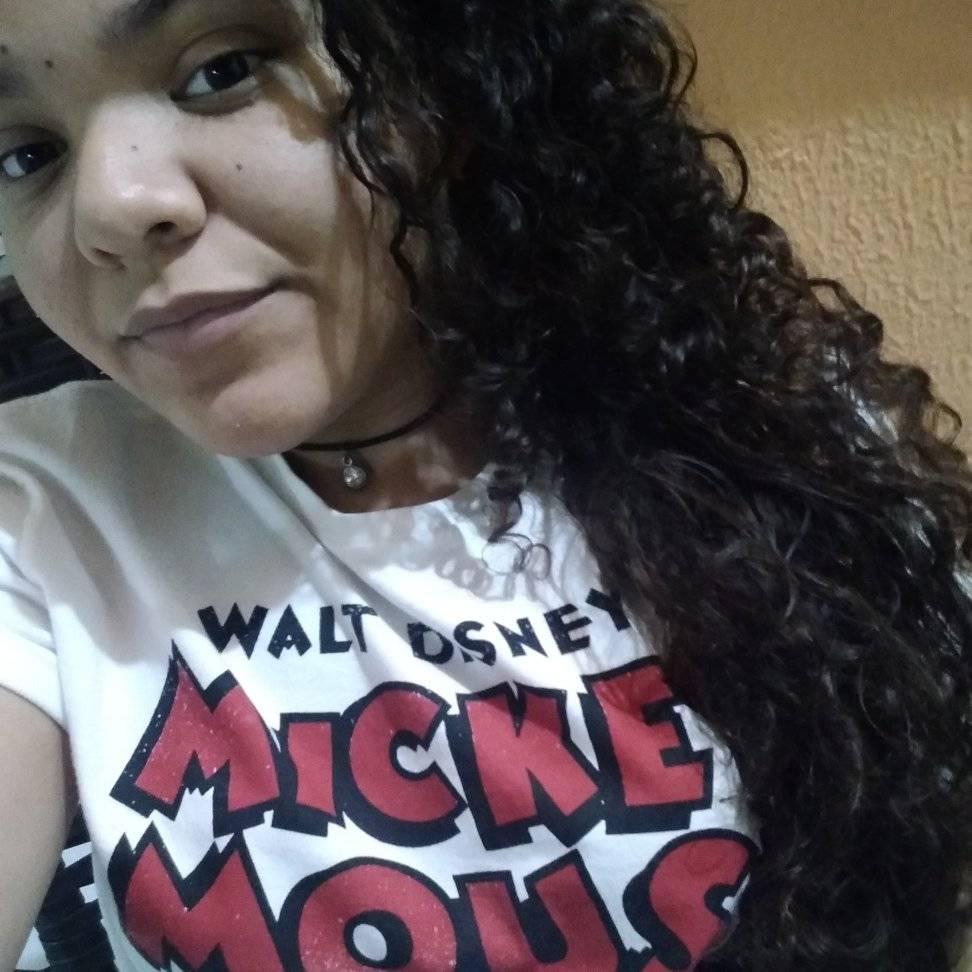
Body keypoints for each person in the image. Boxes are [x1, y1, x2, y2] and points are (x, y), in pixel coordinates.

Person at [0, 0, 969, 968]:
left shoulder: (771, 436)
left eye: (223, 70)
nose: (109, 209)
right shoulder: (42, 503)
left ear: (450, 78)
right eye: (25, 154)